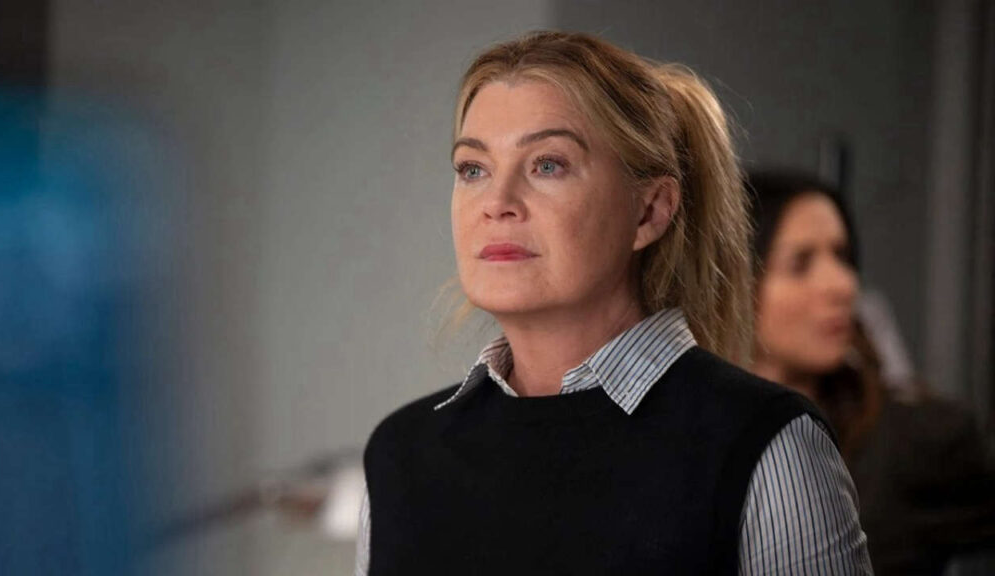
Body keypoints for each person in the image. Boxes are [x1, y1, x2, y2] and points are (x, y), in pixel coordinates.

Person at [355, 32, 872, 575]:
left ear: (650, 211)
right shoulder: (398, 455)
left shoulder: (767, 443)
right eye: (473, 169)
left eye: (547, 164)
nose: (497, 203)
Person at [747, 168, 995, 575]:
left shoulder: (921, 440)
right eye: (800, 264)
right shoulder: (688, 437)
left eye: (843, 256)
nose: (843, 284)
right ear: (733, 283)